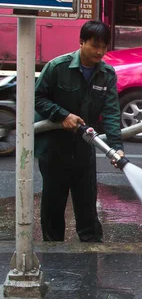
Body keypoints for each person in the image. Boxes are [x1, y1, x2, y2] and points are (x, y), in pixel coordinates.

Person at [34, 20, 124, 243]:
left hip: (83, 150)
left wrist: (117, 148)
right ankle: (53, 254)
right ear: (81, 42)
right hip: (53, 150)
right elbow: (37, 99)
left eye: (104, 47)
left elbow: (112, 113)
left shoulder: (106, 74)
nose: (100, 52)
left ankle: (90, 258)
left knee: (87, 207)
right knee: (53, 207)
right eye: (95, 45)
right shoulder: (58, 67)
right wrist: (62, 115)